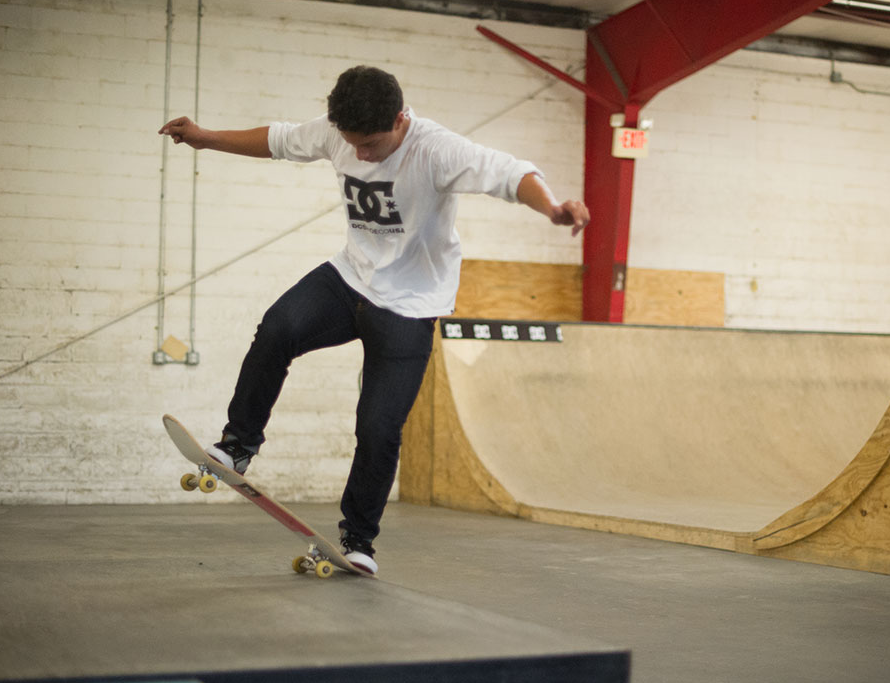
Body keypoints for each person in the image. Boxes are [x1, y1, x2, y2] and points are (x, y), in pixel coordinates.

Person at [159, 66, 589, 574]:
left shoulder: (436, 149)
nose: (360, 156)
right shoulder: (336, 130)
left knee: (378, 427)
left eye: (372, 145)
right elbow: (278, 139)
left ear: (402, 120)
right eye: (351, 144)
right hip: (350, 279)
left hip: (410, 305)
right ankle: (237, 447)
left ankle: (358, 540)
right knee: (278, 327)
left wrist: (552, 208)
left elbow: (511, 173)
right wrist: (206, 138)